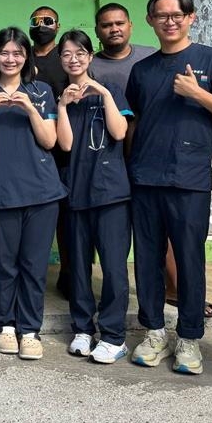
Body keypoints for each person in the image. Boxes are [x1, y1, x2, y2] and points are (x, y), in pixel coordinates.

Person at [126, 0, 212, 375]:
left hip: (190, 179)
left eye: (177, 14)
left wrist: (197, 93)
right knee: (146, 261)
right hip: (145, 178)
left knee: (190, 261)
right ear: (150, 21)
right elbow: (134, 124)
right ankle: (155, 332)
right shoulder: (142, 70)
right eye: (161, 15)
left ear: (191, 18)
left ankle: (190, 338)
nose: (170, 21)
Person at [91, 3, 212, 319]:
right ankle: (152, 324)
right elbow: (132, 120)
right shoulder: (103, 66)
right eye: (106, 25)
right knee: (146, 249)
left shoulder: (156, 60)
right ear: (98, 31)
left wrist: (198, 93)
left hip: (179, 168)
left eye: (119, 23)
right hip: (126, 165)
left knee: (183, 247)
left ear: (132, 25)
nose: (114, 29)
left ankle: (185, 311)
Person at [0, 27, 66, 361]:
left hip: (41, 192)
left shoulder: (41, 91)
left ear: (27, 57)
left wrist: (31, 109)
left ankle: (30, 331)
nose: (11, 59)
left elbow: (50, 141)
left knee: (34, 265)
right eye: (5, 53)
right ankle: (7, 326)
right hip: (0, 191)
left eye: (18, 53)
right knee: (6, 263)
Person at [55, 29, 133, 364]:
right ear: (61, 60)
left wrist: (101, 91)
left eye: (80, 53)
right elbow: (66, 144)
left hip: (111, 194)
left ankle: (114, 337)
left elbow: (118, 132)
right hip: (76, 192)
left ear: (90, 55)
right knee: (78, 269)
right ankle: (83, 329)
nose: (73, 59)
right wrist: (61, 105)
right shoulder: (62, 97)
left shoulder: (111, 89)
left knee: (114, 269)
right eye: (67, 54)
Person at [27, 5, 72, 301]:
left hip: (64, 150)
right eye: (36, 21)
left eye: (48, 21)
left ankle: (70, 275)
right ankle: (27, 278)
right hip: (28, 150)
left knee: (66, 218)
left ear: (57, 25)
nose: (41, 25)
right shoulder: (22, 56)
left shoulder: (65, 58)